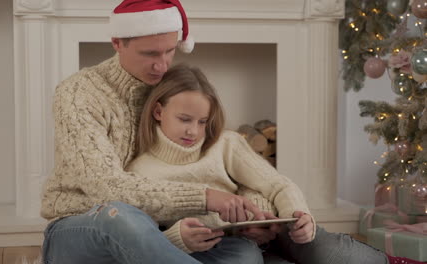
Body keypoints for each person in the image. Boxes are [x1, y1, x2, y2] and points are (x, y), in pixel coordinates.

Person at [126, 63, 425, 264]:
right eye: (184, 120)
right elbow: (143, 236)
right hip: (225, 246)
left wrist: (299, 216)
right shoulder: (142, 171)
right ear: (157, 111)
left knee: (342, 253)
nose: (194, 131)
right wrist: (177, 238)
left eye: (202, 121)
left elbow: (278, 184)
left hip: (275, 227)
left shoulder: (225, 143)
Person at [40, 0, 267, 263]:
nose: (161, 65)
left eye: (169, 51)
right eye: (149, 54)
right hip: (83, 227)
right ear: (117, 42)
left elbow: (225, 162)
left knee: (245, 254)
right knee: (120, 215)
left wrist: (248, 211)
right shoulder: (78, 93)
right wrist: (204, 197)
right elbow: (106, 188)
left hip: (160, 228)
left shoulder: (171, 91)